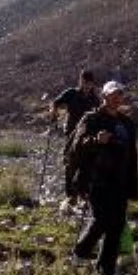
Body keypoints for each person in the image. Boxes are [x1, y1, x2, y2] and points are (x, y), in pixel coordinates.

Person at [70, 80, 138, 275]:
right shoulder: (92, 119)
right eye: (113, 94)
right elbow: (77, 146)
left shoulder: (126, 123)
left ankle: (106, 269)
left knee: (116, 226)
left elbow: (132, 157)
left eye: (120, 95)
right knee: (101, 220)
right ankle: (80, 253)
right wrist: (95, 141)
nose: (117, 98)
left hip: (120, 182)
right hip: (96, 180)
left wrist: (133, 185)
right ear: (104, 96)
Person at [51, 70, 100, 203]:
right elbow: (56, 102)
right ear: (80, 81)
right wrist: (54, 114)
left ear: (93, 84)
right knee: (70, 161)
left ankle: (82, 192)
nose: (87, 86)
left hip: (86, 135)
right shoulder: (71, 93)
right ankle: (70, 194)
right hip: (71, 132)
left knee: (86, 163)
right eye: (84, 82)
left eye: (89, 83)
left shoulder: (94, 99)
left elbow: (99, 115)